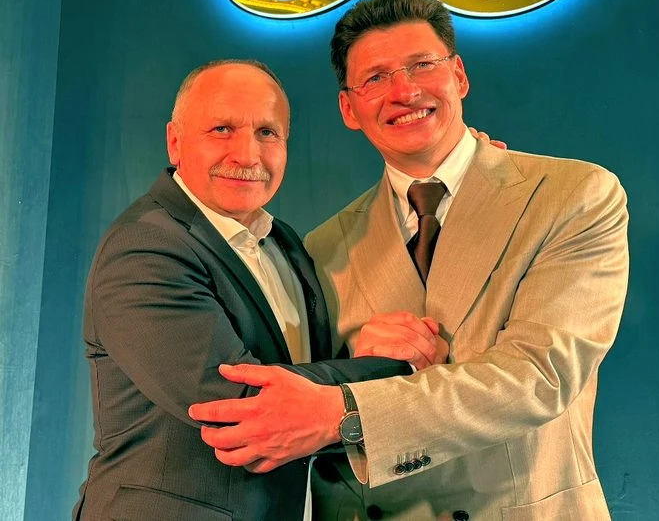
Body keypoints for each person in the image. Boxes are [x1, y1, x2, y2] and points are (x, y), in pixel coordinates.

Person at [190, 0, 629, 520]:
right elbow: (288, 404)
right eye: (375, 78)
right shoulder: (322, 248)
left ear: (459, 76)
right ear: (349, 109)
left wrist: (346, 411)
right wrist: (356, 363)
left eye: (422, 65)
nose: (404, 91)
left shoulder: (572, 196)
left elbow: (541, 376)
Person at [73, 59, 447, 521]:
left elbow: (297, 374)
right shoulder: (146, 247)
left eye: (267, 133)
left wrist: (463, 185)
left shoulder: (283, 241)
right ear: (175, 141)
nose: (247, 155)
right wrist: (395, 368)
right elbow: (245, 406)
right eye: (222, 130)